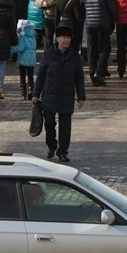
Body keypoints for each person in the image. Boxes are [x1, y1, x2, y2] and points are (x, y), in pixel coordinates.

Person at [33, 24, 86, 162]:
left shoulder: (75, 57)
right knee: (49, 124)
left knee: (65, 127)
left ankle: (63, 151)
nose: (66, 40)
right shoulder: (48, 55)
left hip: (66, 96)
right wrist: (35, 94)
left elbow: (79, 78)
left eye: (68, 38)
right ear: (57, 39)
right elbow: (41, 76)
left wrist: (81, 96)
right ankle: (51, 145)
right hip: (49, 95)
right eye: (64, 37)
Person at [81, 0, 115, 86]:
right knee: (105, 48)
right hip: (103, 24)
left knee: (92, 49)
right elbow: (111, 8)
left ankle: (92, 73)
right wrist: (113, 19)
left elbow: (83, 9)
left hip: (90, 24)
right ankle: (99, 71)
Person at [10, 19, 38, 100]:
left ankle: (23, 93)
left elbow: (21, 48)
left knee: (22, 76)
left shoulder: (22, 37)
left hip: (23, 60)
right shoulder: (33, 37)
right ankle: (30, 91)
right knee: (30, 76)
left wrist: (11, 49)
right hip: (31, 60)